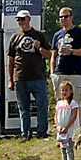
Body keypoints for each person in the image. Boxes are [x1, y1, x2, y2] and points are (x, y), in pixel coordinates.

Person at [8, 10, 49, 140]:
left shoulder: (39, 35)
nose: (20, 22)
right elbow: (10, 60)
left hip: (38, 76)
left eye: (22, 19)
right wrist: (10, 79)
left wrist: (39, 48)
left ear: (29, 19)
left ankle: (42, 131)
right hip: (20, 77)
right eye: (18, 20)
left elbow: (49, 55)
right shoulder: (15, 37)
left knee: (42, 105)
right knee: (23, 108)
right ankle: (25, 132)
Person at [50, 7, 81, 107]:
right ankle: (61, 122)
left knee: (76, 104)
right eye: (61, 17)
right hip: (59, 73)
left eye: (66, 16)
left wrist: (71, 52)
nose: (63, 19)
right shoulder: (57, 35)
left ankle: (76, 123)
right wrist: (52, 73)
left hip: (75, 73)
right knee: (61, 103)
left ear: (71, 17)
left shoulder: (80, 32)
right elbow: (54, 55)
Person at [53, 81, 81, 160]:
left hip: (70, 131)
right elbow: (56, 116)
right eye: (62, 90)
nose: (64, 92)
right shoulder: (59, 103)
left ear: (71, 91)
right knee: (63, 149)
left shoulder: (73, 103)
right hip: (61, 131)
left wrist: (67, 128)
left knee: (69, 149)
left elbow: (73, 116)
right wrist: (58, 126)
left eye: (66, 90)